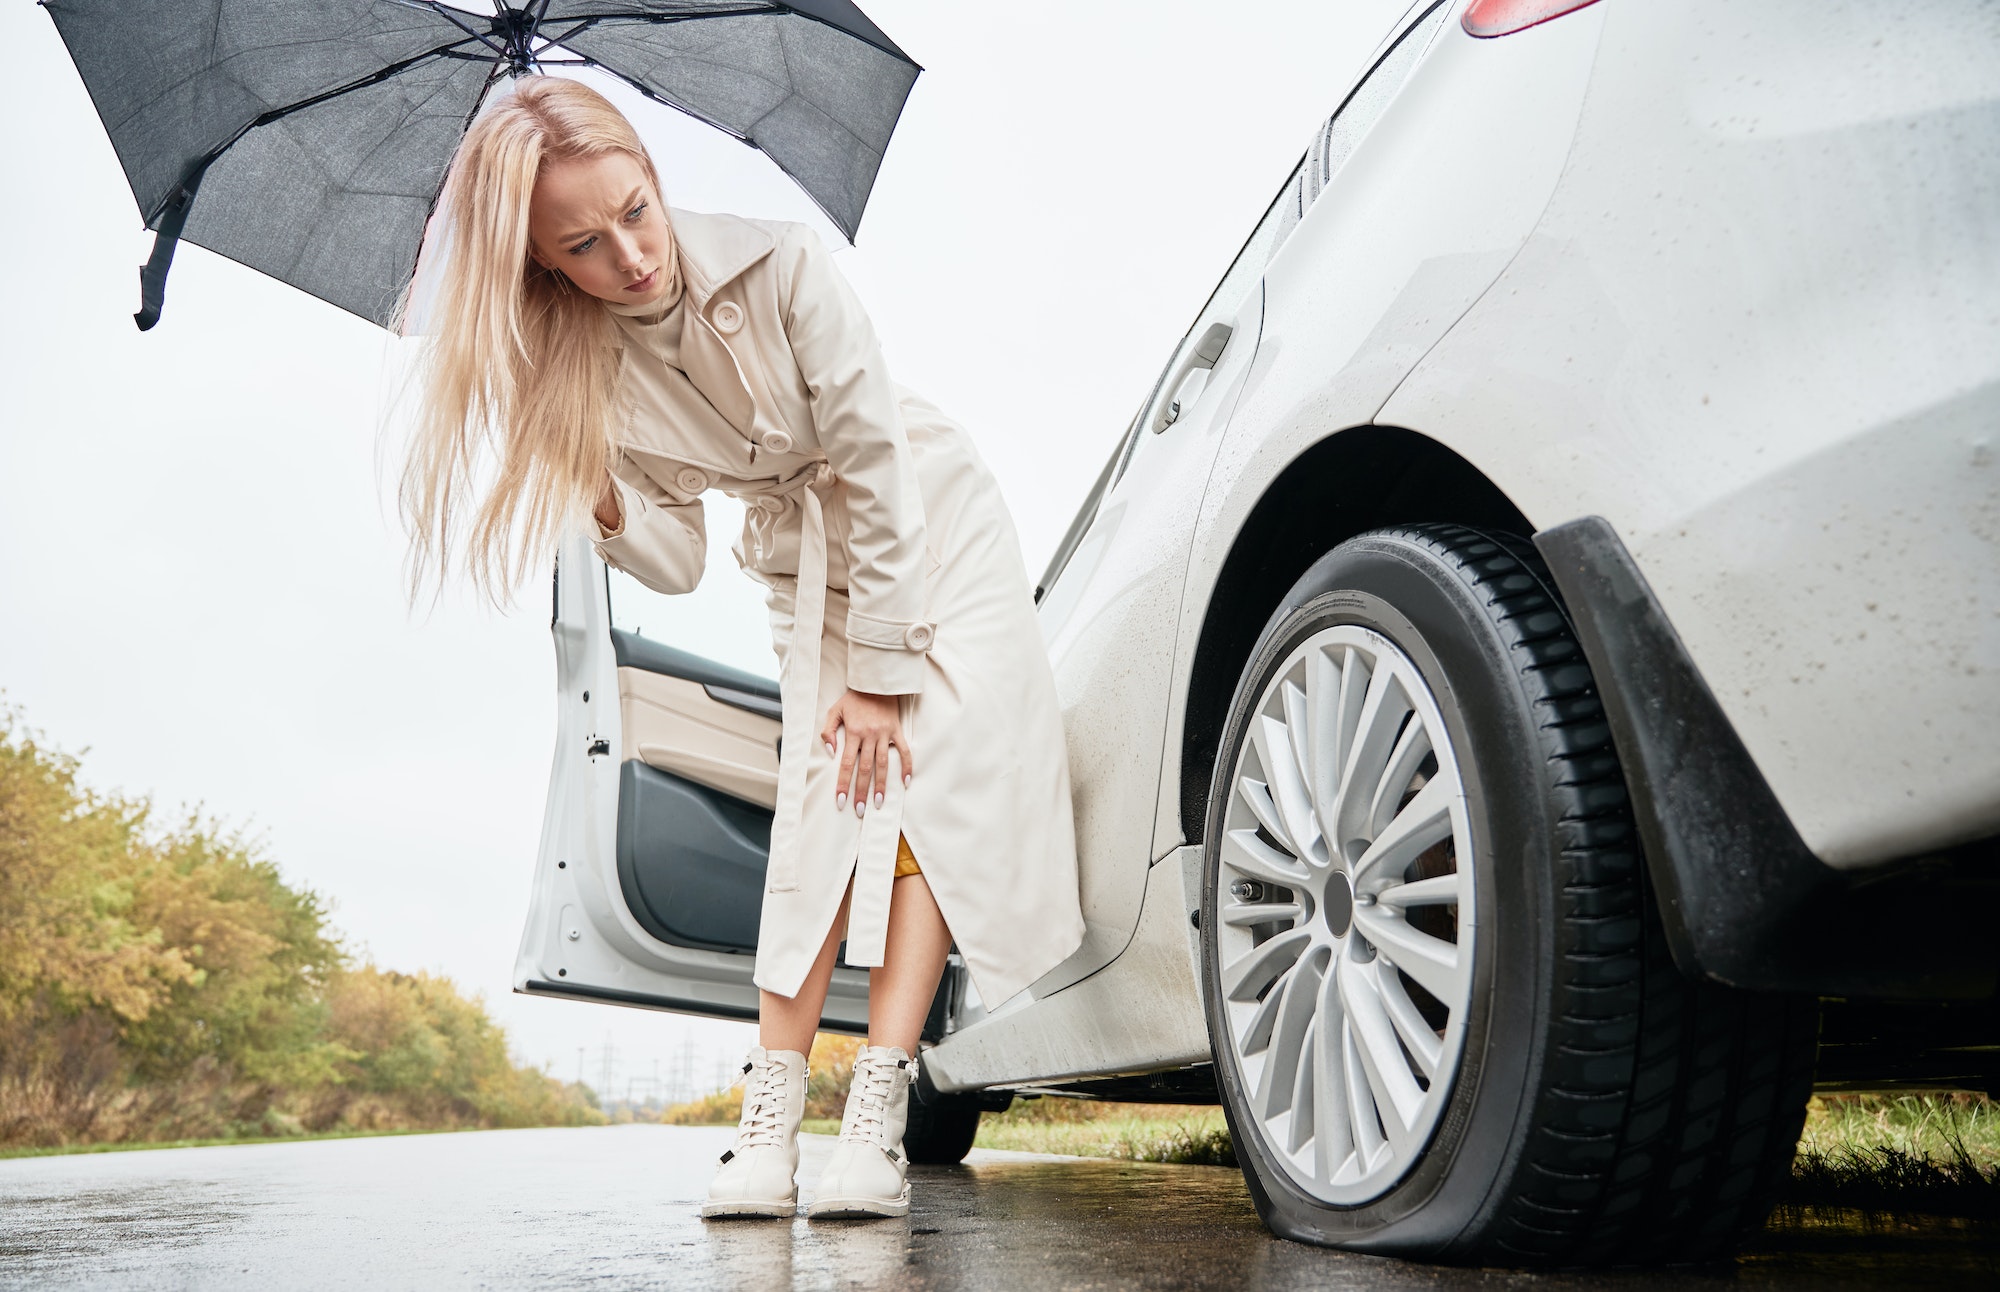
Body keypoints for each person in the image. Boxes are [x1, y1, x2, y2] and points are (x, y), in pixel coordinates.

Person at [399, 76, 1085, 1221]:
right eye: (583, 242)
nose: (629, 255)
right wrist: (594, 489)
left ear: (651, 181)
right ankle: (768, 1121)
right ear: (541, 265)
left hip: (922, 514)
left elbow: (870, 454)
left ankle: (876, 1103)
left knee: (926, 780)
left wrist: (877, 676)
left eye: (635, 210)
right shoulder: (580, 375)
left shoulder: (782, 263)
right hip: (794, 552)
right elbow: (672, 559)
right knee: (820, 798)